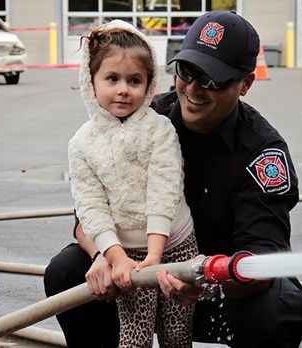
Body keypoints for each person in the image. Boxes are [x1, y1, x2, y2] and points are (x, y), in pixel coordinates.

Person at [45, 11, 302, 348]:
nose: (193, 88)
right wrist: (103, 256)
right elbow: (87, 213)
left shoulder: (262, 152)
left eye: (213, 79)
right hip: (140, 277)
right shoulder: (145, 120)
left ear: (246, 84)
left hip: (221, 292)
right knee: (67, 269)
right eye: (187, 71)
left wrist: (207, 280)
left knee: (280, 309)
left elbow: (264, 258)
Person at [65, 20, 199, 347]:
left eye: (134, 80)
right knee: (135, 334)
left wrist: (156, 254)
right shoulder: (82, 144)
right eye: (112, 78)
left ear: (150, 84)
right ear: (90, 82)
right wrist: (116, 257)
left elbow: (163, 191)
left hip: (176, 243)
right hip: (126, 252)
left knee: (176, 332)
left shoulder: (160, 130)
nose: (123, 89)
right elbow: (91, 207)